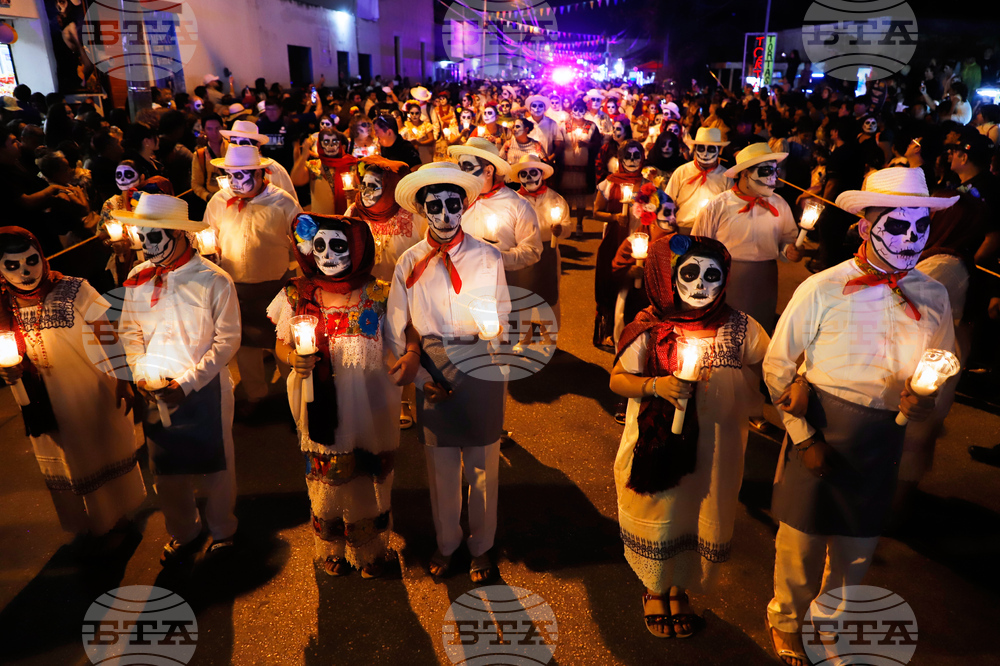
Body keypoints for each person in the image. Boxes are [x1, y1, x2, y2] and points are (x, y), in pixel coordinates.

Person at [762, 168, 957, 665]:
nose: (911, 238)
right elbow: (778, 365)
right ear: (866, 227)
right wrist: (804, 438)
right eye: (898, 226)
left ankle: (830, 626)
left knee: (857, 547)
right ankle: (787, 618)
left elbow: (940, 363)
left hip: (882, 437)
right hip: (821, 428)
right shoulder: (823, 288)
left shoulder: (933, 295)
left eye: (921, 227)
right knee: (801, 542)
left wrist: (924, 400)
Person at [610, 234, 769, 638]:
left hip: (717, 448)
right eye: (690, 273)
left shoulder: (740, 326)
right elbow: (618, 379)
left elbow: (771, 363)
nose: (700, 285)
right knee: (664, 511)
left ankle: (679, 587)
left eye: (712, 275)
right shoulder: (649, 327)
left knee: (699, 513)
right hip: (660, 448)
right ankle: (655, 588)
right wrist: (654, 386)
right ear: (667, 277)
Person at [387, 161, 509, 584]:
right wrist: (422, 380)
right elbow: (396, 326)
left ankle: (482, 545)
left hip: (481, 365)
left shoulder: (488, 256)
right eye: (434, 205)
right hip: (433, 367)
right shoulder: (409, 262)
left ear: (465, 206)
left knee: (482, 466)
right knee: (441, 468)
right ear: (422, 209)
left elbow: (503, 316)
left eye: (452, 204)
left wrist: (493, 348)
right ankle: (447, 542)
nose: (444, 214)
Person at [269, 213, 409, 577]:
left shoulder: (381, 294)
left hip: (370, 404)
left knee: (367, 475)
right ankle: (331, 546)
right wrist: (294, 360)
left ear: (359, 249)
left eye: (338, 246)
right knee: (328, 477)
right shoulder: (297, 294)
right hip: (320, 404)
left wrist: (409, 361)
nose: (328, 255)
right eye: (319, 246)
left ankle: (371, 549)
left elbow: (403, 340)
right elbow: (281, 345)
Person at [116, 194, 242, 564]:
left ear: (179, 234)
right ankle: (184, 531)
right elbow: (129, 332)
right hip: (154, 389)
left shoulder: (214, 280)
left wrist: (187, 383)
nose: (146, 245)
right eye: (142, 236)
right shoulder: (138, 278)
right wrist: (140, 373)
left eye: (154, 236)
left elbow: (227, 340)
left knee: (217, 465)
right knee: (166, 471)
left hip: (206, 388)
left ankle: (223, 529)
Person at [0, 227, 146, 543]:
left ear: (42, 257)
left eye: (31, 261)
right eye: (12, 265)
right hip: (42, 403)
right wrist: (8, 373)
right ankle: (88, 524)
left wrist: (123, 378)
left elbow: (105, 333)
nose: (25, 272)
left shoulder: (74, 289)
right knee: (68, 463)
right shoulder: (3, 305)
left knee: (99, 452)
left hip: (88, 393)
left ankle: (116, 520)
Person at [205, 145, 302, 410]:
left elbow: (301, 239)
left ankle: (293, 399)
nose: (234, 182)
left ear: (259, 173)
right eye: (230, 175)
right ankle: (255, 396)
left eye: (241, 175)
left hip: (276, 286)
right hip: (235, 287)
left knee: (283, 342)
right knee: (245, 345)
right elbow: (208, 235)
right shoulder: (218, 201)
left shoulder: (282, 201)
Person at [693, 143, 803, 333]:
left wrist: (790, 250)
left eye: (775, 171)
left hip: (765, 277)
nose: (773, 177)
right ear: (745, 174)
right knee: (727, 331)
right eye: (766, 171)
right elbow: (699, 246)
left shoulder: (780, 204)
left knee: (760, 329)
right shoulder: (718, 206)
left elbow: (787, 239)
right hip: (727, 277)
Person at [449, 138, 542, 297]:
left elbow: (531, 251)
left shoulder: (517, 205)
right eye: (460, 167)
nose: (461, 174)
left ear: (488, 171)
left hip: (503, 291)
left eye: (468, 167)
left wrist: (495, 257)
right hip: (460, 291)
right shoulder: (452, 203)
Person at [593, 140, 646, 348]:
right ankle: (608, 330)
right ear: (620, 159)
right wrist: (615, 217)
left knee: (636, 284)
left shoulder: (648, 184)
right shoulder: (609, 183)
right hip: (615, 240)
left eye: (636, 156)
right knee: (612, 283)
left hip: (639, 239)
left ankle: (633, 329)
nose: (632, 161)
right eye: (627, 156)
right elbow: (596, 212)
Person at [512, 154, 567, 345]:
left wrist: (561, 229)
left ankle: (550, 338)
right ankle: (524, 336)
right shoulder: (514, 200)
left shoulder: (555, 199)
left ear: (542, 174)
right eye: (524, 174)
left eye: (533, 173)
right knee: (523, 294)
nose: (529, 178)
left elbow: (566, 225)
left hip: (548, 252)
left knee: (550, 296)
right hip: (523, 252)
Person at [664, 127, 732, 234]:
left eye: (711, 149)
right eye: (701, 148)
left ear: (719, 150)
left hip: (711, 232)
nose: (705, 154)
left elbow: (729, 209)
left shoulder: (726, 177)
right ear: (695, 149)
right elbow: (668, 201)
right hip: (683, 229)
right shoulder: (681, 172)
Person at [218, 119, 299, 202]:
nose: (238, 148)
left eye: (243, 144)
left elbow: (289, 202)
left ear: (258, 146)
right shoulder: (228, 166)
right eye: (234, 144)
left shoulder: (275, 169)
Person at [556, 98, 601, 239]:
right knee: (567, 197)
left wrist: (588, 145)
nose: (577, 112)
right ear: (571, 110)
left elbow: (598, 144)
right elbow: (558, 142)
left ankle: (579, 224)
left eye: (581, 110)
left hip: (583, 165)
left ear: (585, 111)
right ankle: (568, 224)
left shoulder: (592, 126)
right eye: (575, 109)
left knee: (581, 197)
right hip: (567, 165)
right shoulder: (563, 126)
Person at [292, 128, 357, 215]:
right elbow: (296, 180)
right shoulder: (314, 165)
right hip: (321, 220)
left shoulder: (351, 165)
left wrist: (357, 193)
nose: (331, 145)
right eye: (326, 142)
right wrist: (304, 156)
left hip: (346, 218)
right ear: (320, 145)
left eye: (335, 141)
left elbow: (363, 189)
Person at [524, 94, 558, 162]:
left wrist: (550, 159)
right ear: (530, 108)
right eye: (534, 106)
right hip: (528, 161)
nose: (537, 108)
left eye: (540, 106)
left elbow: (559, 144)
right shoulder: (524, 123)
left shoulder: (552, 123)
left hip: (546, 160)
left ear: (544, 108)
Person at [430, 91, 460, 161]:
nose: (442, 100)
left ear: (447, 99)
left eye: (443, 98)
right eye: (440, 99)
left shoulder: (451, 108)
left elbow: (453, 120)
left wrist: (444, 119)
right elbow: (436, 121)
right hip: (440, 133)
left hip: (450, 131)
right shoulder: (436, 109)